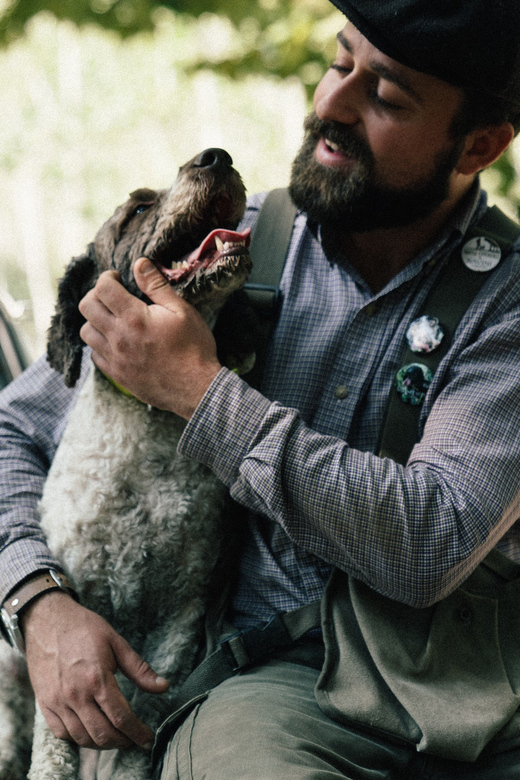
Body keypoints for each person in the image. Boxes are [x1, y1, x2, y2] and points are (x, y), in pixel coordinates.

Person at [1, 0, 520, 777]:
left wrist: (201, 392)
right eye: (340, 63)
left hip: (475, 700)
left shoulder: (506, 305)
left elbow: (430, 541)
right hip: (271, 697)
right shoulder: (216, 252)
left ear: (479, 145)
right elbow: (16, 430)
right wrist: (37, 603)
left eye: (385, 96)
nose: (333, 104)